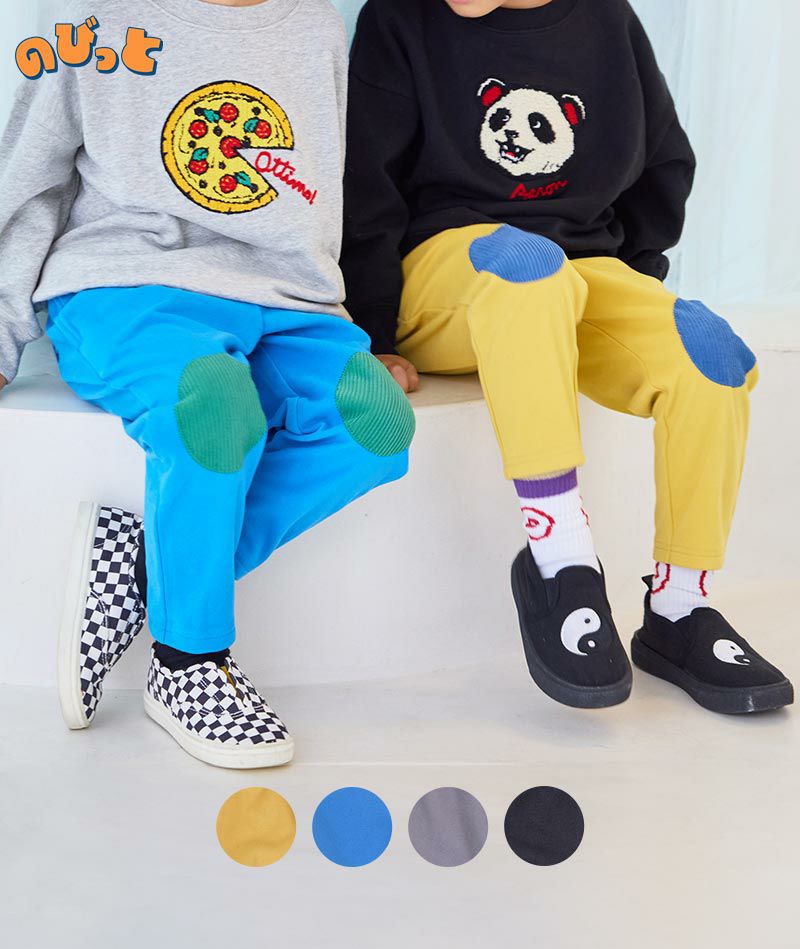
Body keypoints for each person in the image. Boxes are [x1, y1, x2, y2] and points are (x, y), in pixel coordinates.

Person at [341, 0, 793, 713]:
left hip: (578, 269)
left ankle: (680, 606)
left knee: (711, 355)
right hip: (447, 279)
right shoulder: (401, 19)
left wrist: (634, 285)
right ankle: (562, 563)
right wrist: (372, 336)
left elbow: (663, 161)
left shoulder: (606, 19)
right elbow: (363, 187)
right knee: (529, 267)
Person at [0, 0, 415, 768]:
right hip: (128, 285)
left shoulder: (315, 23)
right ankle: (188, 662)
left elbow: (328, 190)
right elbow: (30, 175)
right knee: (216, 408)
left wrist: (362, 324)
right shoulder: (89, 13)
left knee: (375, 426)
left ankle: (140, 573)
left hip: (287, 299)